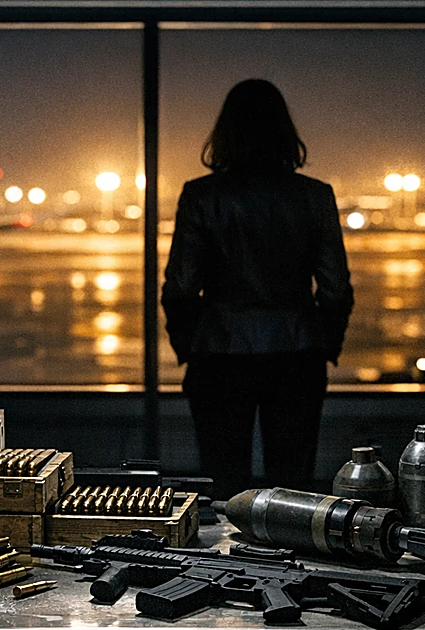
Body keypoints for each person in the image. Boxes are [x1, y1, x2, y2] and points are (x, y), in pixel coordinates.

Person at [161, 79, 354, 499]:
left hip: (220, 351)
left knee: (223, 484)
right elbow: (336, 288)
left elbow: (179, 285)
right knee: (294, 491)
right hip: (296, 352)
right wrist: (323, 342)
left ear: (224, 132)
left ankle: (222, 565)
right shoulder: (315, 196)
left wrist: (191, 343)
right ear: (286, 131)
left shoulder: (200, 196)